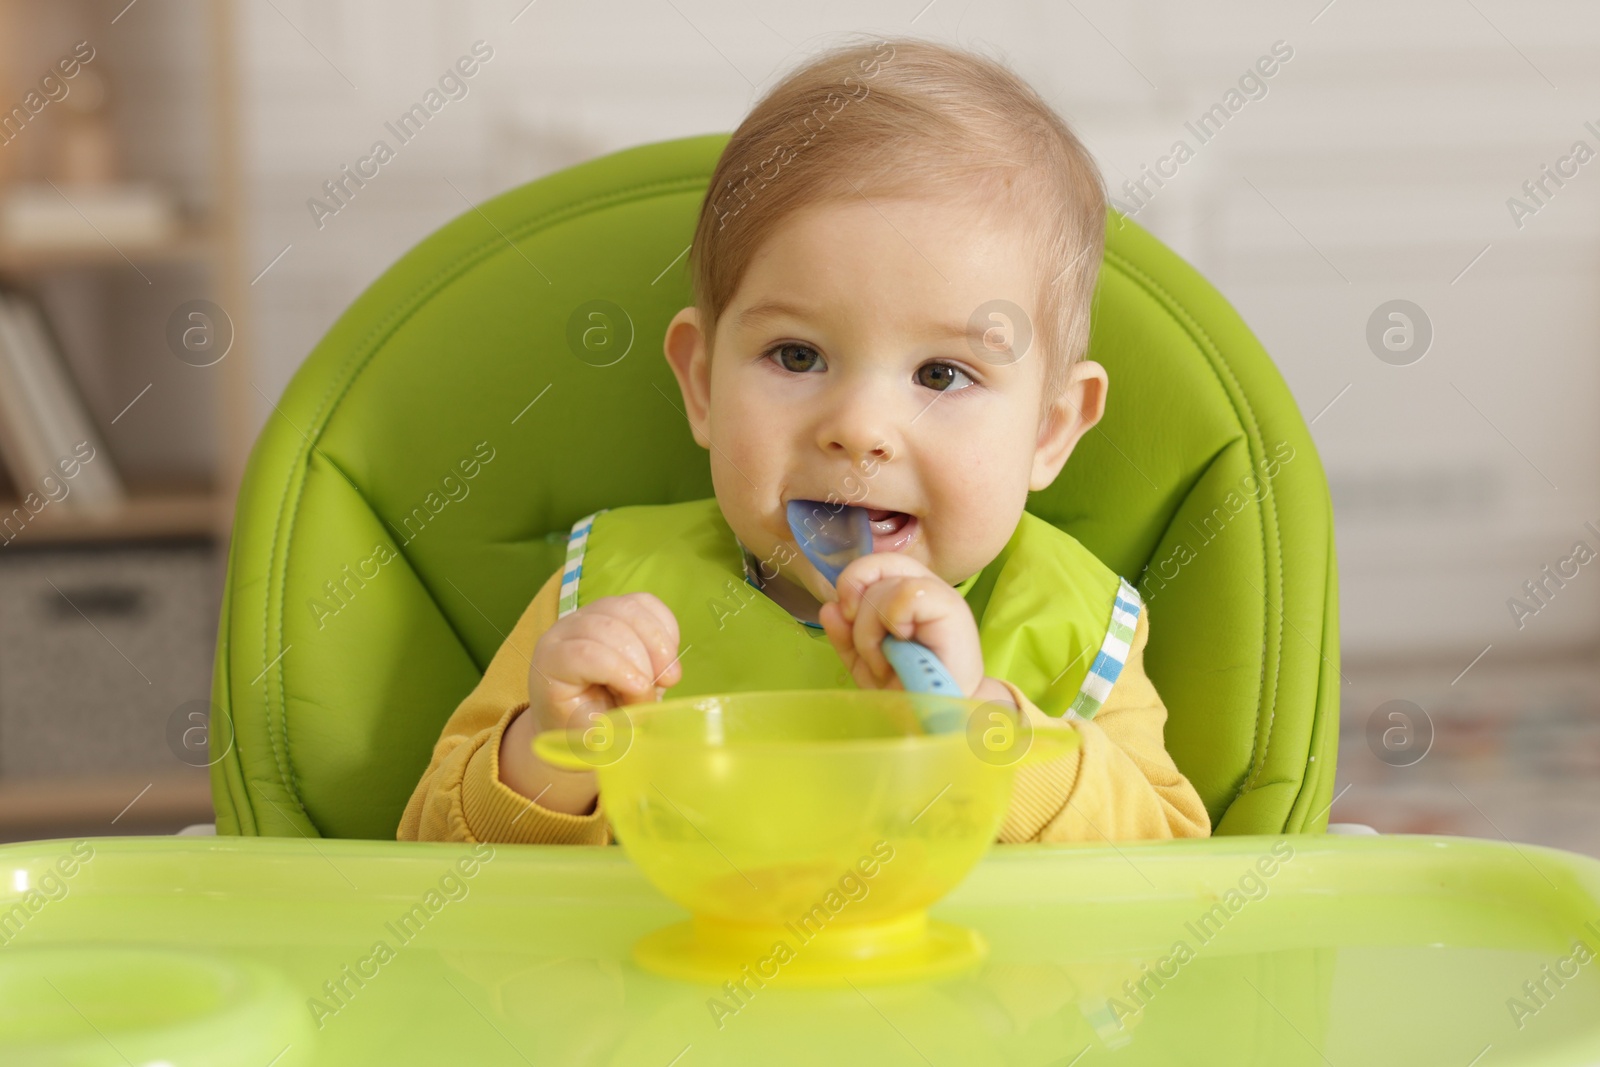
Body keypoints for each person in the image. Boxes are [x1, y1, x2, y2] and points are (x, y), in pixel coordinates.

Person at [398, 35, 1210, 846]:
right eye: (798, 356)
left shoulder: (1073, 627)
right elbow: (428, 856)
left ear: (1050, 428)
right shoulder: (605, 597)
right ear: (705, 386)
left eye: (940, 375)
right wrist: (555, 753)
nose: (858, 429)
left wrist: (986, 732)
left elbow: (1176, 870)